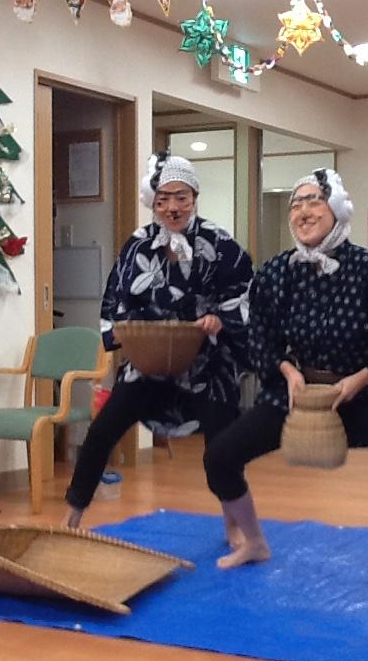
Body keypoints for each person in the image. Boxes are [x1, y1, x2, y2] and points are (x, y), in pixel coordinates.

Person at [203, 168, 368, 590]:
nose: (302, 211)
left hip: (367, 394)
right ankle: (254, 542)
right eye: (296, 205)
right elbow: (257, 333)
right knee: (220, 457)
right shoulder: (277, 272)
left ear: (335, 209)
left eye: (313, 201)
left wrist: (363, 377)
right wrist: (285, 369)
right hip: (297, 395)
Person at [64, 152, 253, 533]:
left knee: (221, 449)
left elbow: (248, 292)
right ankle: (70, 519)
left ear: (195, 197)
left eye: (181, 197)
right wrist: (125, 331)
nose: (172, 207)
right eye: (163, 198)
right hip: (149, 362)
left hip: (207, 362)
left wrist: (220, 318)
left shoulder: (219, 242)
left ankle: (234, 523)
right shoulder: (139, 244)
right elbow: (118, 295)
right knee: (101, 434)